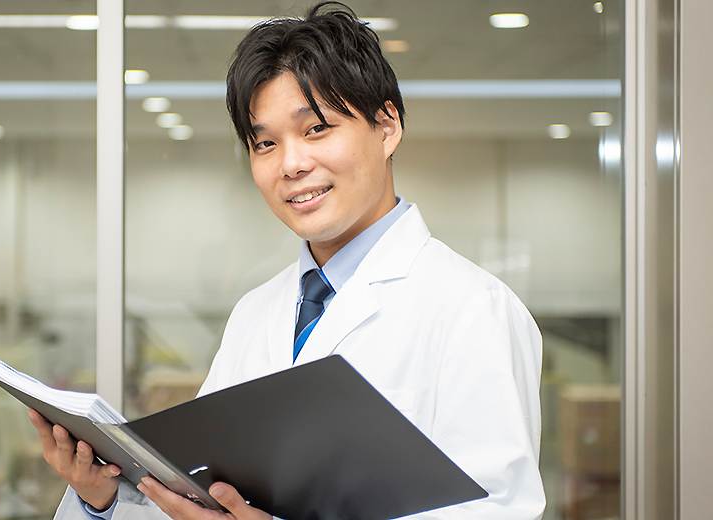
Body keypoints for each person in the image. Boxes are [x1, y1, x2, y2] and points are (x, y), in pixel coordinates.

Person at [30, 2, 546, 519]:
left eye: (316, 129)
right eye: (266, 143)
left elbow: (498, 510)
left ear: (386, 127)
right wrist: (101, 498)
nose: (292, 164)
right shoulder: (257, 313)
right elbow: (198, 497)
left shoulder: (473, 309)